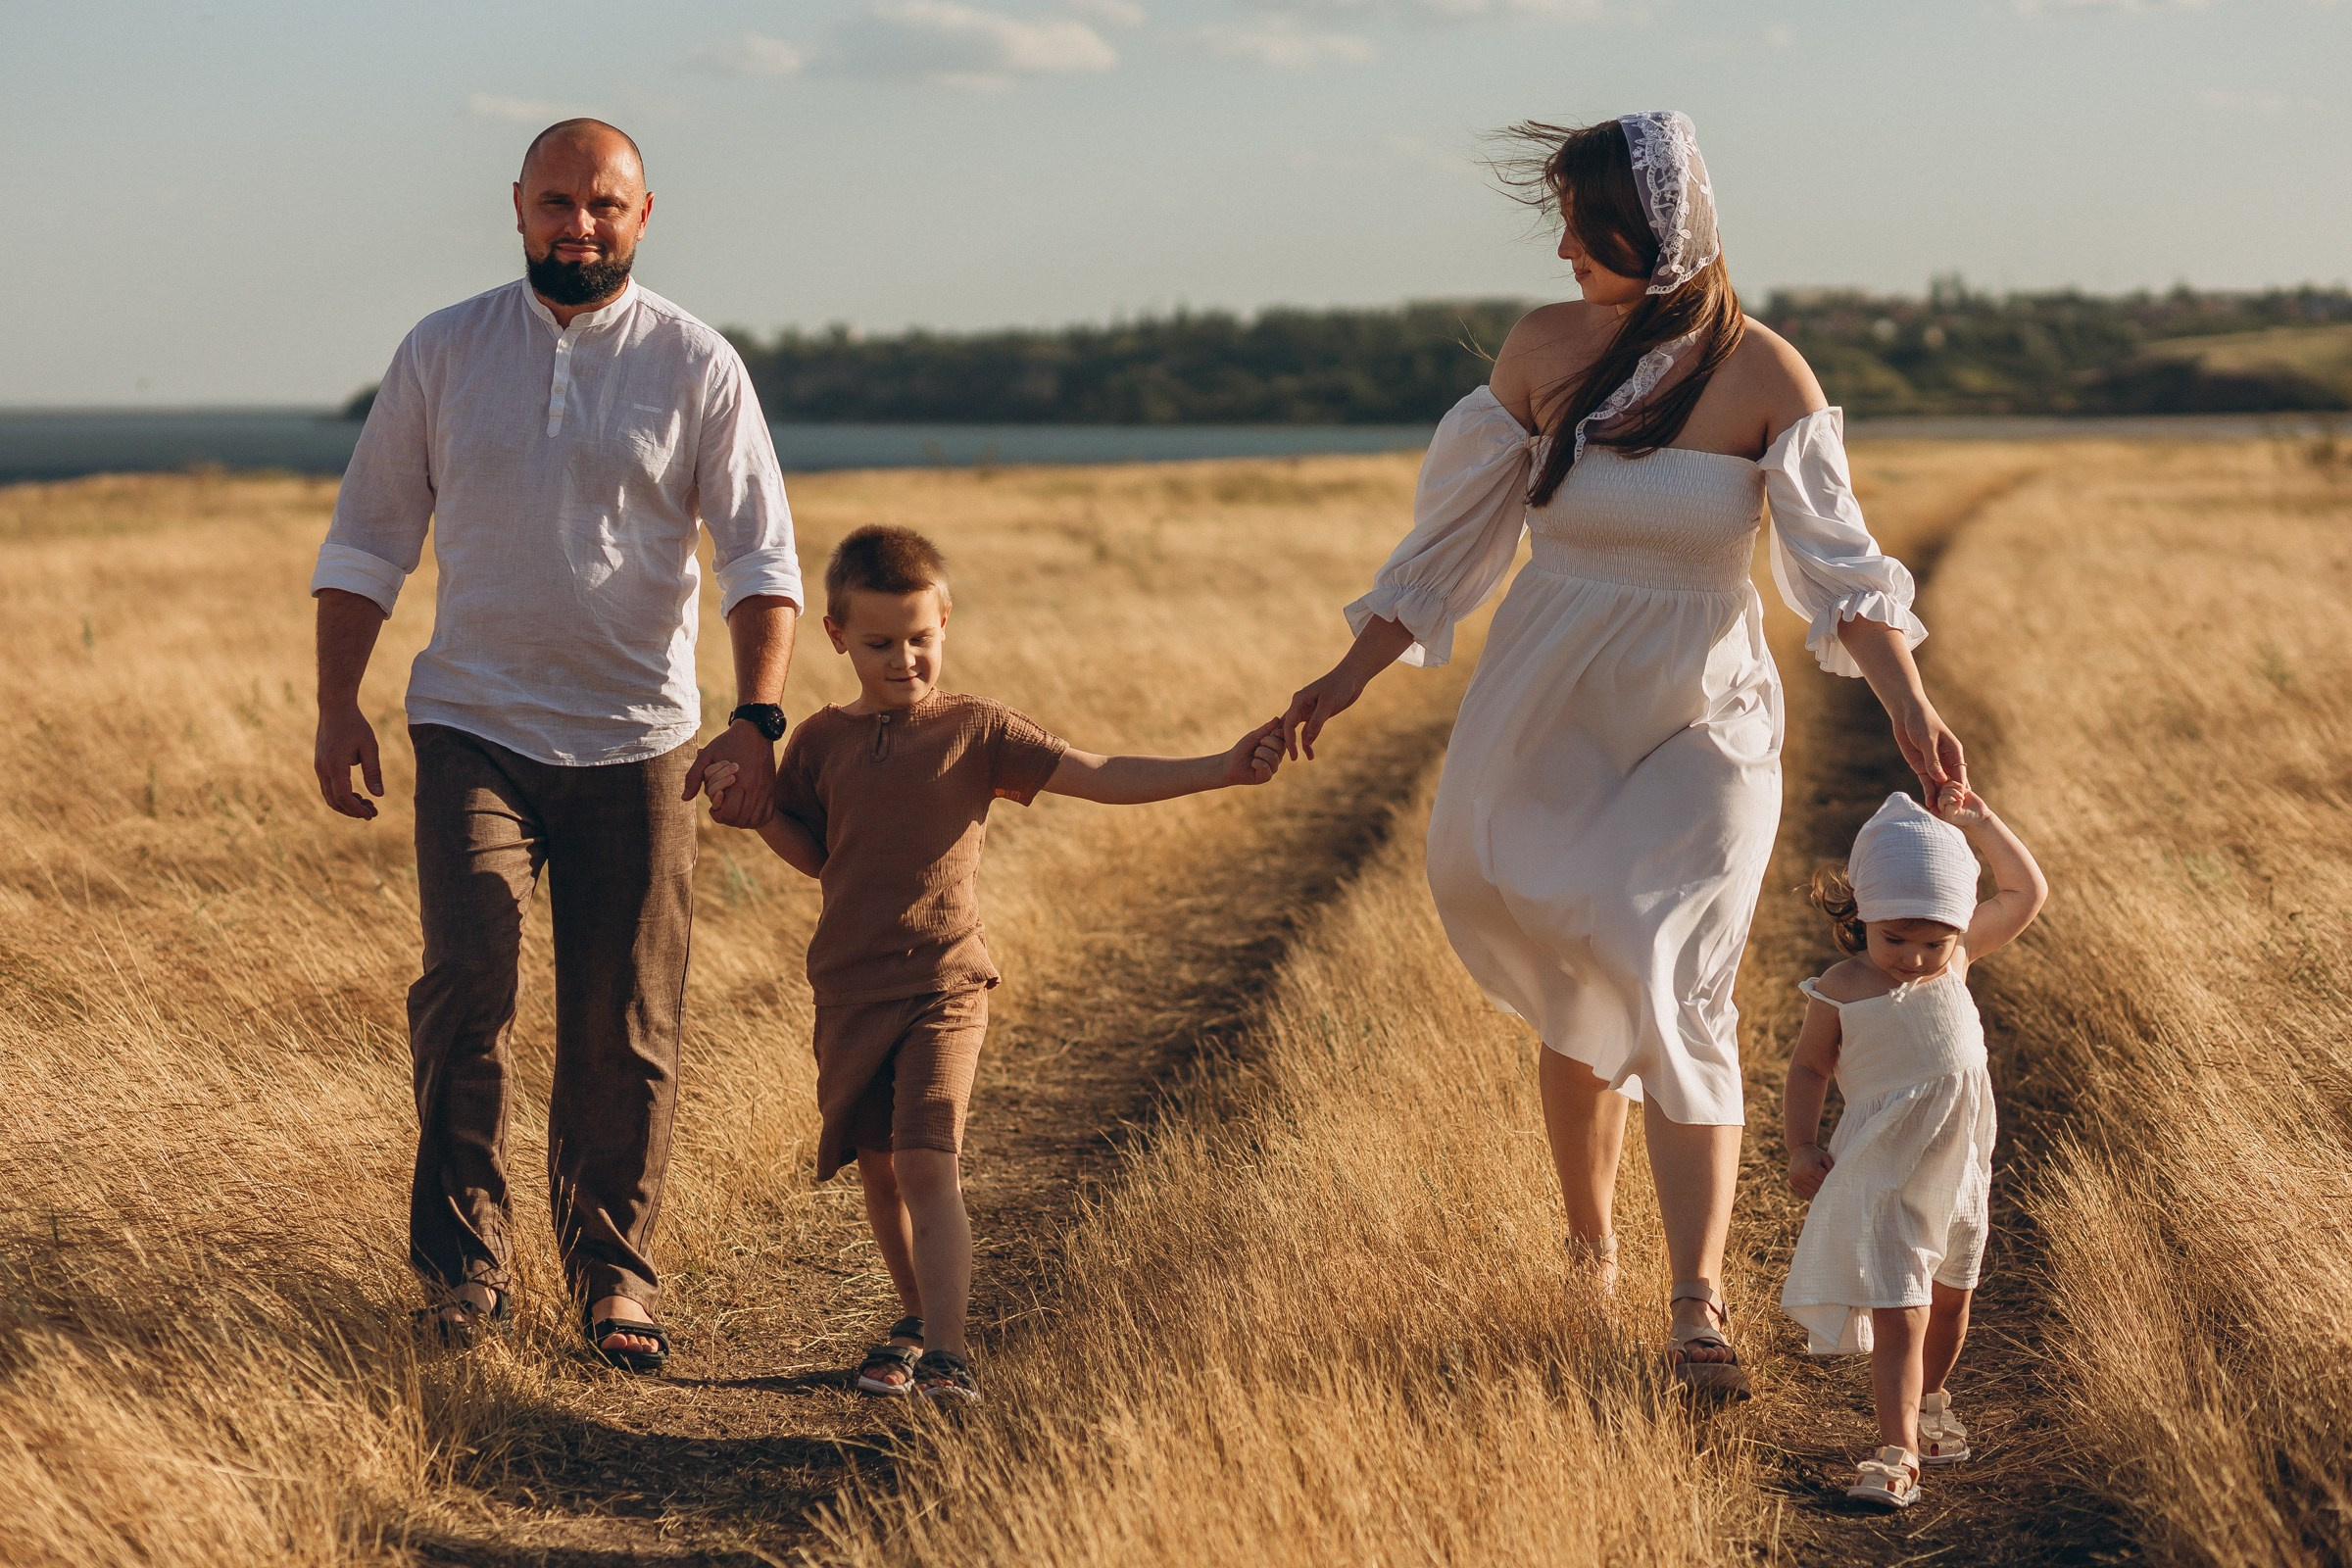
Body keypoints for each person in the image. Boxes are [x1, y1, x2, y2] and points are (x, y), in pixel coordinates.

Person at [1276, 112, 1968, 1396]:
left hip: (1707, 714)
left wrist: (1911, 707)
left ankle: (1694, 1302)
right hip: (1550, 709)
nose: (1561, 249)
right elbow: (1444, 555)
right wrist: (1342, 678)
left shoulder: (1769, 376)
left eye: (1585, 225)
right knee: (1577, 968)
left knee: (1672, 972)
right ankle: (1589, 1245)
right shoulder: (1544, 351)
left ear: (1655, 232)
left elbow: (1842, 578)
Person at [310, 119, 804, 1372]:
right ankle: (462, 1277)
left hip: (639, 740)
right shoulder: (443, 350)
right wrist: (337, 702)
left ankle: (614, 1282)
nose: (578, 226)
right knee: (466, 988)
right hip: (472, 720)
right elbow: (369, 540)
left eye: (604, 206)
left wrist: (754, 717)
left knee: (623, 1021)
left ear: (645, 216)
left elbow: (758, 557)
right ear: (516, 207)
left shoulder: (697, 363)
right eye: (556, 203)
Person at [699, 525, 1286, 1401]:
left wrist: (1220, 769)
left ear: (946, 624)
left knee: (928, 1159)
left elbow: (1097, 770)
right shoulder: (818, 742)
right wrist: (754, 817)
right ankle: (912, 1317)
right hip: (850, 989)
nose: (903, 660)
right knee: (882, 1167)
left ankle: (947, 1352)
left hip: (945, 984)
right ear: (835, 638)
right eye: (880, 644)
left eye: (920, 640)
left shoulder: (977, 730)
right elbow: (822, 854)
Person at [1782, 788, 2047, 1508]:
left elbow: (2026, 891)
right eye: (1895, 938)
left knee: (1951, 1296)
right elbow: (1808, 1069)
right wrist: (1801, 1144)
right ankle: (1897, 1450)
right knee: (1902, 1306)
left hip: (1959, 1170)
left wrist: (1982, 823)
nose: (1914, 956)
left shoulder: (1957, 962)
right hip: (1885, 1170)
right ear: (1861, 913)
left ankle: (1931, 1402)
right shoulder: (1843, 988)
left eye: (1934, 940)